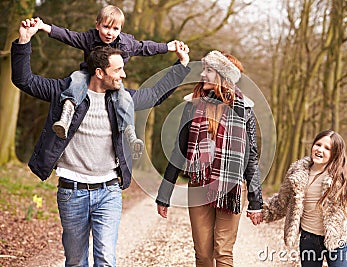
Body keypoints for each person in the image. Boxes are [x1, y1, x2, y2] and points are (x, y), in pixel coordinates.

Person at [12, 17, 190, 267]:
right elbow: (25, 81)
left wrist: (181, 67)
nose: (123, 75)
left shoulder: (122, 99)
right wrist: (23, 41)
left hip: (109, 191)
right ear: (99, 72)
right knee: (75, 261)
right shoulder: (65, 92)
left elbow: (153, 96)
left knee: (106, 259)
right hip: (71, 191)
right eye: (118, 70)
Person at [156, 50, 264, 267]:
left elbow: (251, 157)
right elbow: (180, 150)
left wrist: (255, 201)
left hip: (232, 188)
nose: (202, 74)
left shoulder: (245, 111)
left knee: (223, 252)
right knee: (203, 254)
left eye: (209, 70)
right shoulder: (192, 106)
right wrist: (164, 193)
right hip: (199, 186)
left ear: (224, 76)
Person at [36, 5, 182, 159]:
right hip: (89, 75)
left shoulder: (126, 43)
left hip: (112, 80)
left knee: (123, 97)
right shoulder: (89, 38)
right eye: (106, 27)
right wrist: (44, 27)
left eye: (115, 29)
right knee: (76, 79)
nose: (110, 33)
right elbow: (68, 36)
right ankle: (66, 114)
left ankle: (130, 133)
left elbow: (145, 47)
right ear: (97, 24)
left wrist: (167, 47)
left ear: (120, 29)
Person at [262, 129, 347, 267]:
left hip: (337, 239)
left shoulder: (344, 176)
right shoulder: (298, 172)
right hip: (308, 238)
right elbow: (282, 201)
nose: (320, 150)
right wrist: (262, 212)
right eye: (318, 144)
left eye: (327, 148)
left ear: (335, 153)